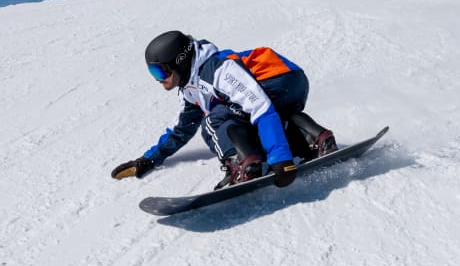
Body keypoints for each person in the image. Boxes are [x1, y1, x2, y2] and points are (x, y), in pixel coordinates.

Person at [111, 31, 337, 189]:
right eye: (154, 74)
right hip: (288, 84)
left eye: (161, 72)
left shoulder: (217, 69)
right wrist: (149, 159)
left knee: (212, 121)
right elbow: (180, 130)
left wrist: (280, 160)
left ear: (179, 61)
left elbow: (260, 107)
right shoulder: (191, 87)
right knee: (249, 119)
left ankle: (244, 164)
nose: (159, 81)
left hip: (278, 79)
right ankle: (313, 139)